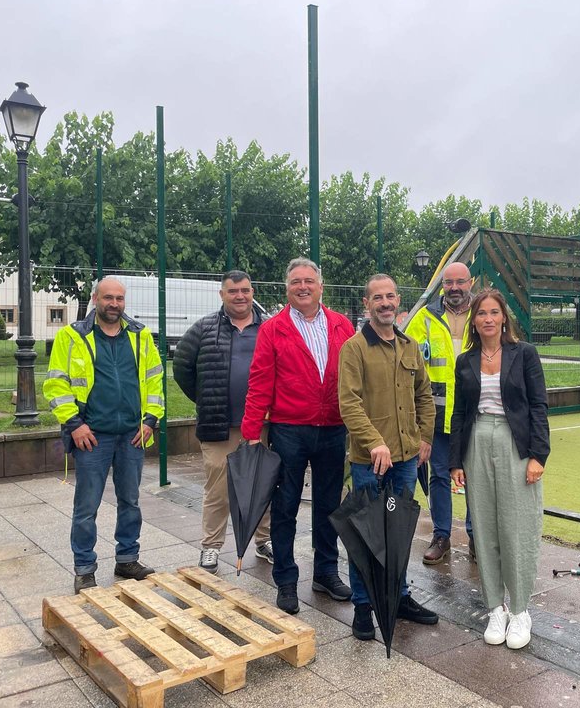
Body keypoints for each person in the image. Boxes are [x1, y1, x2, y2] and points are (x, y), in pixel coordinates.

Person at [241, 258, 355, 614]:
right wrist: (251, 431)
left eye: (308, 281)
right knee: (286, 506)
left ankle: (325, 572)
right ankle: (286, 580)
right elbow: (260, 381)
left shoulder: (342, 325)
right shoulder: (273, 329)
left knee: (329, 505)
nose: (302, 287)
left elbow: (355, 378)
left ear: (321, 286)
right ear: (286, 288)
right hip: (289, 430)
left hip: (334, 428)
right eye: (295, 282)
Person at [43, 277, 165, 594]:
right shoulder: (72, 336)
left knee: (131, 501)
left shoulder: (140, 335)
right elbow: (56, 385)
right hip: (91, 435)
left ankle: (127, 559)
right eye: (108, 298)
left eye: (120, 299)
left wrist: (151, 420)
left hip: (132, 434)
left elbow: (155, 380)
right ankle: (84, 569)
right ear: (95, 298)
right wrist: (74, 423)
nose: (114, 304)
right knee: (87, 507)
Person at [338, 273, 439, 640]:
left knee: (397, 533)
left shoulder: (410, 346)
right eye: (377, 298)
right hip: (369, 462)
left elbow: (424, 396)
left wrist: (424, 437)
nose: (385, 303)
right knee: (366, 535)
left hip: (406, 460)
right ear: (367, 304)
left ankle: (400, 597)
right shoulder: (354, 349)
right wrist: (374, 442)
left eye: (390, 297)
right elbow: (348, 403)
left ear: (398, 301)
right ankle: (363, 606)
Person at [450, 289, 550, 650]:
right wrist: (454, 461)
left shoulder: (524, 354)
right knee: (485, 528)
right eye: (481, 313)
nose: (488, 319)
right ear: (474, 320)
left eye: (494, 312)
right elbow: (459, 412)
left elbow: (539, 405)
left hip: (515, 444)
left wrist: (538, 455)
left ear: (503, 317)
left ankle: (521, 610)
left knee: (517, 528)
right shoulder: (465, 360)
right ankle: (496, 607)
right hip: (478, 440)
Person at [172, 270, 272, 575]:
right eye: (233, 291)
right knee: (218, 490)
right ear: (222, 295)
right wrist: (207, 399)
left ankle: (264, 540)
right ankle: (211, 547)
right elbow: (182, 368)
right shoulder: (203, 329)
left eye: (244, 290)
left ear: (253, 291)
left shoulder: (269, 328)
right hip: (219, 426)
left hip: (264, 425)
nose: (239, 296)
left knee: (263, 486)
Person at [405, 261, 474, 564]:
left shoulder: (483, 312)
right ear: (442, 286)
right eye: (449, 283)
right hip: (437, 412)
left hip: (475, 412)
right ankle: (442, 534)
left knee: (476, 477)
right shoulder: (425, 317)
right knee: (440, 477)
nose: (455, 288)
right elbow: (410, 365)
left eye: (460, 282)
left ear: (470, 282)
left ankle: (477, 536)